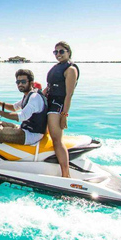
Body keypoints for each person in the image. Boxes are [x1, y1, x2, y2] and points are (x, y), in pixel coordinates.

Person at [0, 69, 48, 161]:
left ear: (31, 83)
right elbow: (13, 107)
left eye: (23, 82)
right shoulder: (28, 95)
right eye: (18, 82)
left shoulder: (34, 98)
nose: (20, 84)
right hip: (25, 128)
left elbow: (20, 117)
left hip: (31, 135)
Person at [44, 41, 79, 178]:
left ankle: (66, 175)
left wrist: (64, 115)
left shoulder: (71, 69)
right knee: (45, 134)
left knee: (57, 139)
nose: (58, 54)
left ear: (68, 52)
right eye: (55, 52)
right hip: (48, 103)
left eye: (61, 51)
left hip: (57, 106)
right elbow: (49, 86)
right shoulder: (57, 67)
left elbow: (69, 94)